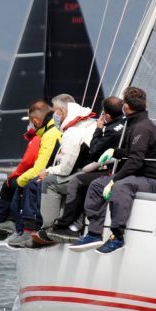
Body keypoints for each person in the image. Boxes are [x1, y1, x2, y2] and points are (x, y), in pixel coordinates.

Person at [71, 86, 156, 255]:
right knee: (96, 185)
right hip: (138, 175)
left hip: (153, 179)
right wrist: (115, 152)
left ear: (126, 107)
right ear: (145, 104)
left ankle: (117, 237)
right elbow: (133, 153)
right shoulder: (135, 124)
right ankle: (94, 233)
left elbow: (135, 161)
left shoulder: (142, 127)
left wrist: (114, 180)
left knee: (121, 186)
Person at [43, 96, 125, 243]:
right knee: (79, 179)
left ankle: (59, 227)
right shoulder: (125, 124)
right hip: (111, 167)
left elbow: (94, 151)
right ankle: (69, 224)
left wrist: (99, 129)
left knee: (71, 181)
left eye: (55, 111)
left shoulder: (108, 129)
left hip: (111, 170)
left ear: (106, 116)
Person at [28, 94, 97, 246]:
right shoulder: (89, 122)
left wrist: (48, 171)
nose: (54, 115)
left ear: (61, 111)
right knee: (59, 180)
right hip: (94, 170)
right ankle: (62, 222)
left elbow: (65, 169)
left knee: (49, 183)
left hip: (88, 173)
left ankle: (48, 229)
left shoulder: (72, 132)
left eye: (55, 112)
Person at [5, 100, 62, 247]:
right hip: (55, 174)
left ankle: (25, 231)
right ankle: (20, 230)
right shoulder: (53, 130)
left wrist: (18, 181)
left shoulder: (50, 135)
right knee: (25, 184)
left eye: (32, 122)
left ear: (35, 121)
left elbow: (39, 169)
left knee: (25, 186)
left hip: (52, 176)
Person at [0, 124, 40, 240]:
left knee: (11, 185)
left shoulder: (37, 138)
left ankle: (5, 223)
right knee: (10, 185)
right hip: (36, 174)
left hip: (37, 176)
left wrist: (14, 176)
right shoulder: (39, 137)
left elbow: (28, 162)